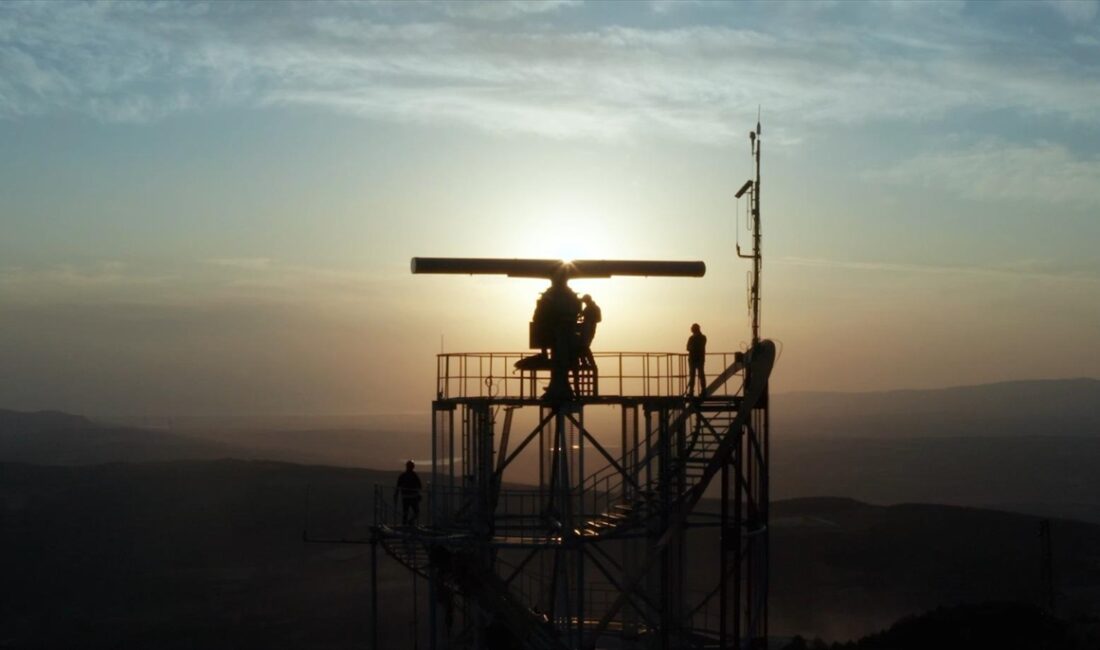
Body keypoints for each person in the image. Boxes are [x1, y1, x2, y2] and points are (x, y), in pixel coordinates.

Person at [394, 460, 422, 525]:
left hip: (406, 497)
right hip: (412, 497)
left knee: (406, 513)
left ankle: (405, 525)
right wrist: (418, 494)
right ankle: (409, 522)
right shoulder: (414, 475)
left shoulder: (403, 475)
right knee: (416, 512)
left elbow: (398, 486)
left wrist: (396, 494)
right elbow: (420, 486)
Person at [578, 294, 601, 367]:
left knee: (584, 346)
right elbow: (581, 315)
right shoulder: (589, 308)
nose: (584, 302)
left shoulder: (592, 308)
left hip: (589, 329)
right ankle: (585, 363)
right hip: (586, 329)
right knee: (582, 346)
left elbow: (599, 319)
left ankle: (590, 363)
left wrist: (589, 321)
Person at [686, 323, 707, 397]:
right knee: (694, 375)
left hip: (697, 359)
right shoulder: (693, 338)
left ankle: (702, 390)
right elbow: (688, 347)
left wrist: (693, 348)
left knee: (699, 375)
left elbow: (691, 347)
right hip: (694, 359)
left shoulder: (701, 338)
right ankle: (692, 391)